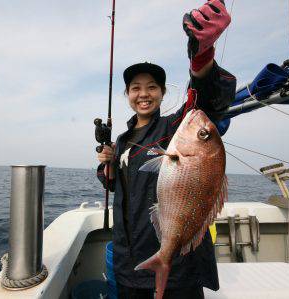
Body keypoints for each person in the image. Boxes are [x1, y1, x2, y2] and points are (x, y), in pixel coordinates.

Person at [96, 1, 236, 298]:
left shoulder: (175, 127)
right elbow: (119, 185)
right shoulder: (122, 140)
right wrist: (107, 167)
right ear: (127, 94)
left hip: (179, 268)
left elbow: (206, 100)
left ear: (162, 93)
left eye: (151, 87)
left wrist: (202, 56)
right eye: (136, 87)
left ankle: (167, 256)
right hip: (129, 264)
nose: (143, 94)